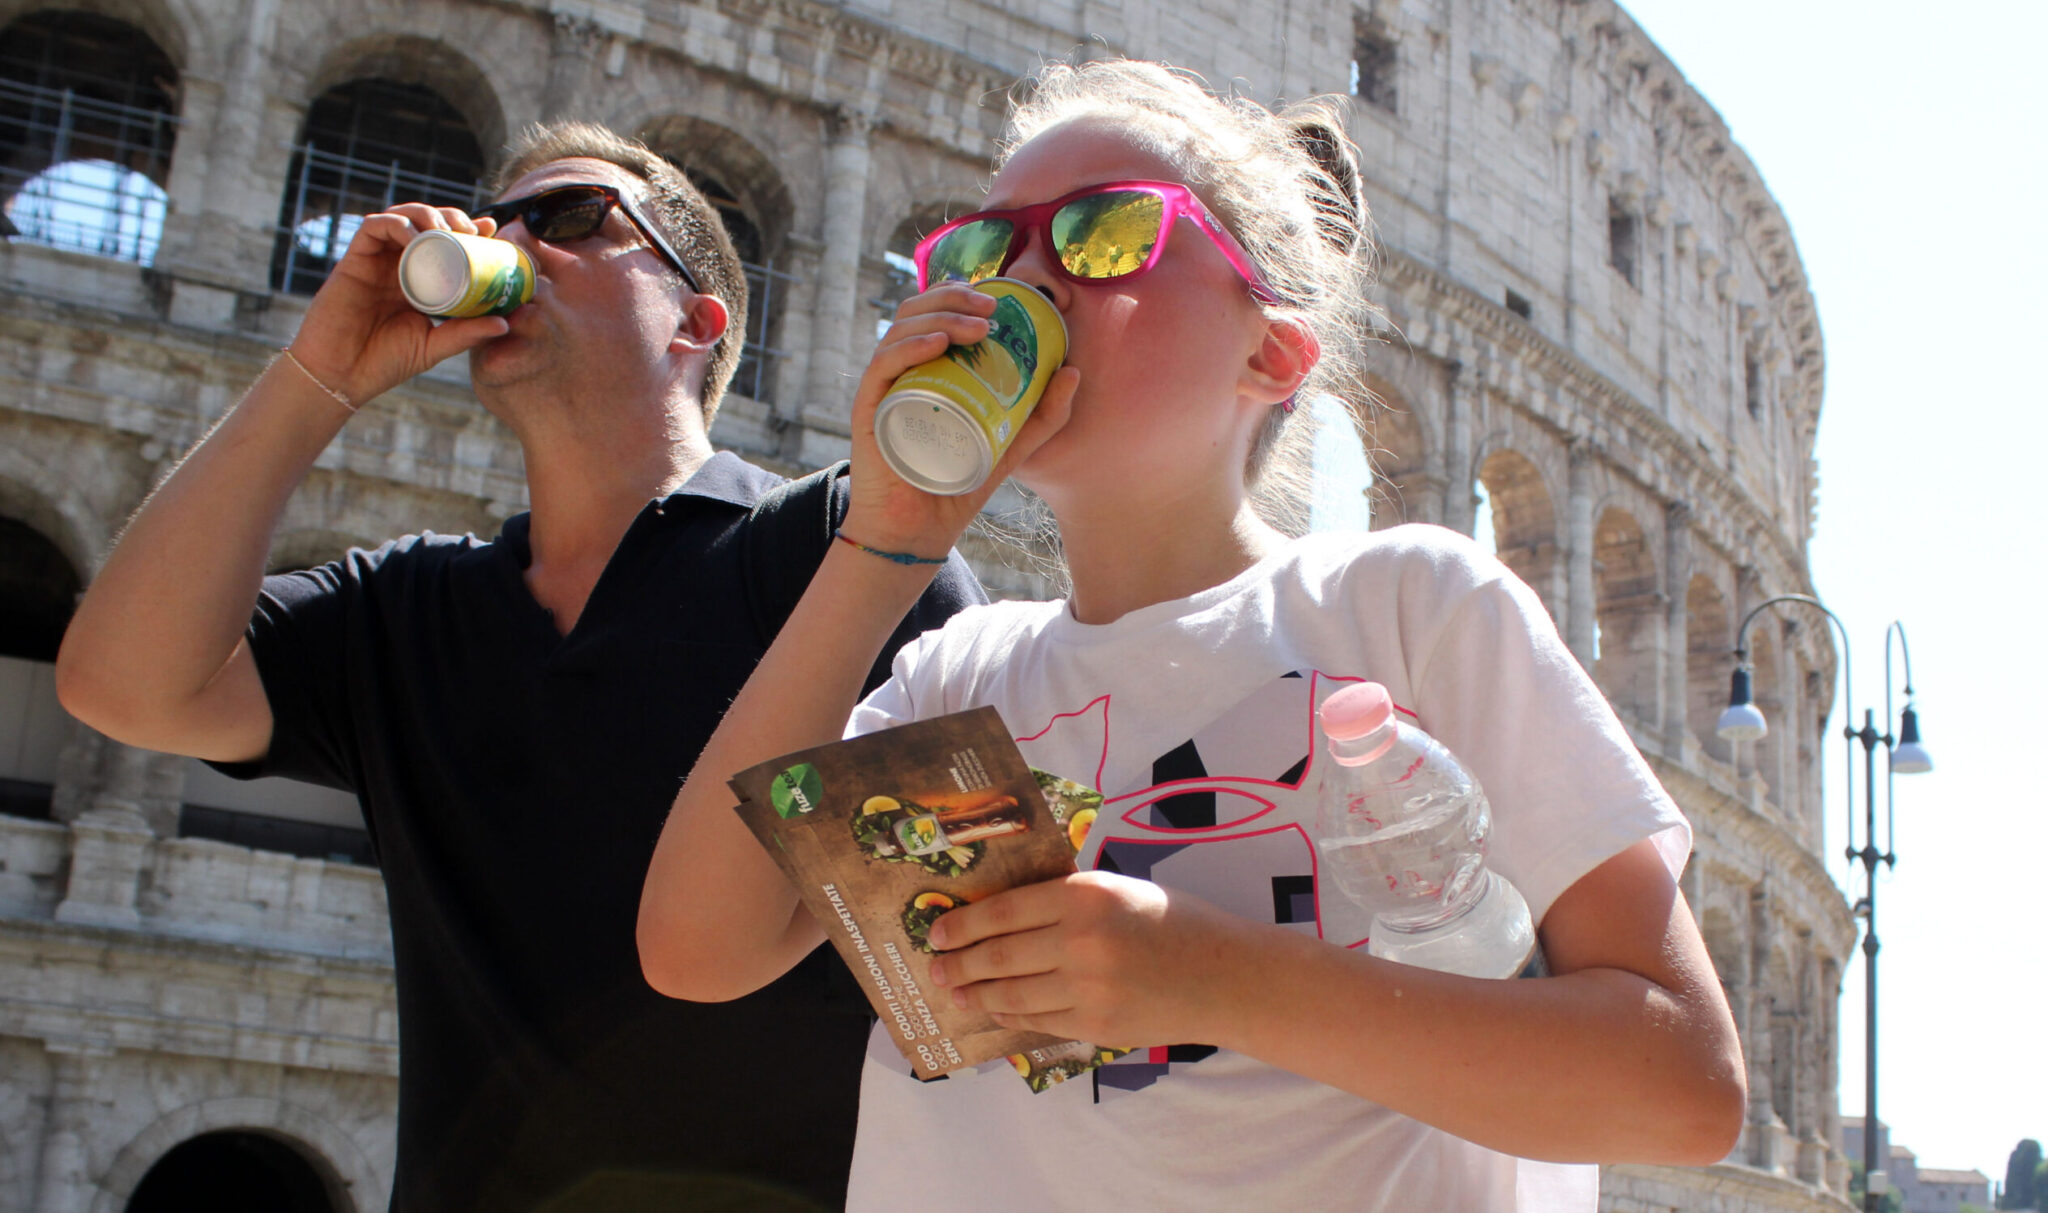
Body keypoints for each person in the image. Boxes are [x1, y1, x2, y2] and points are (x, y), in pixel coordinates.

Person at [638, 59, 1746, 1211]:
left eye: (1103, 235)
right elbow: (697, 949)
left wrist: (1214, 979)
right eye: (980, 248)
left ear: (1270, 355)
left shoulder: (1407, 606)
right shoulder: (955, 676)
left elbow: (1682, 1085)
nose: (1022, 275)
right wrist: (884, 542)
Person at [55, 121, 983, 1211]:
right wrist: (320, 374)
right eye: (498, 222)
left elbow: (969, 963)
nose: (509, 240)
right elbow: (121, 685)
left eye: (571, 217)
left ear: (695, 318)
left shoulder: (845, 542)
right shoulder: (402, 606)